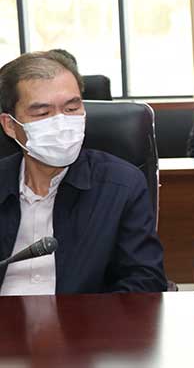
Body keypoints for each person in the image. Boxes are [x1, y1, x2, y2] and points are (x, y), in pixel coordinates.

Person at [0, 50, 167, 295]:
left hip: (84, 317)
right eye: (43, 113)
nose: (61, 123)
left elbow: (144, 282)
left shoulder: (122, 185)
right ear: (10, 125)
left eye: (71, 108)